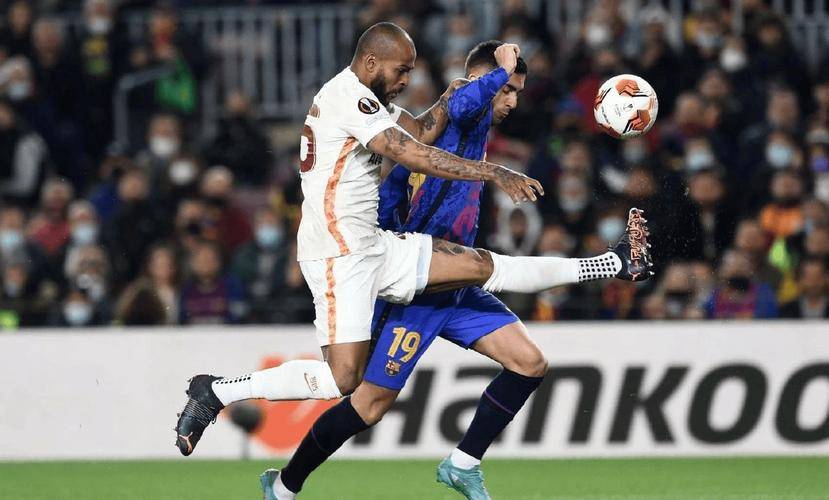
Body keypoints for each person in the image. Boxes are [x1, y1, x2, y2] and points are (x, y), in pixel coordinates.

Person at [174, 23, 652, 470]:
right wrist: (494, 169)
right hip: (340, 257)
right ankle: (217, 391)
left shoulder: (370, 101)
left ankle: (614, 263)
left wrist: (448, 95)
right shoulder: (348, 98)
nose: (407, 80)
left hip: (375, 246)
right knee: (343, 380)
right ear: (370, 63)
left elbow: (421, 130)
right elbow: (413, 153)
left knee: (486, 267)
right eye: (401, 70)